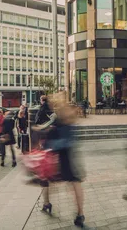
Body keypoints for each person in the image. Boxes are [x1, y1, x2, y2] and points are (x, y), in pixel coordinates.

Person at [39, 93, 85, 227]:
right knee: (75, 183)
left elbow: (64, 141)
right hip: (69, 157)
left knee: (47, 179)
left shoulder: (60, 119)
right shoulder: (68, 120)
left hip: (58, 157)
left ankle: (47, 203)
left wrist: (49, 143)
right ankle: (80, 214)